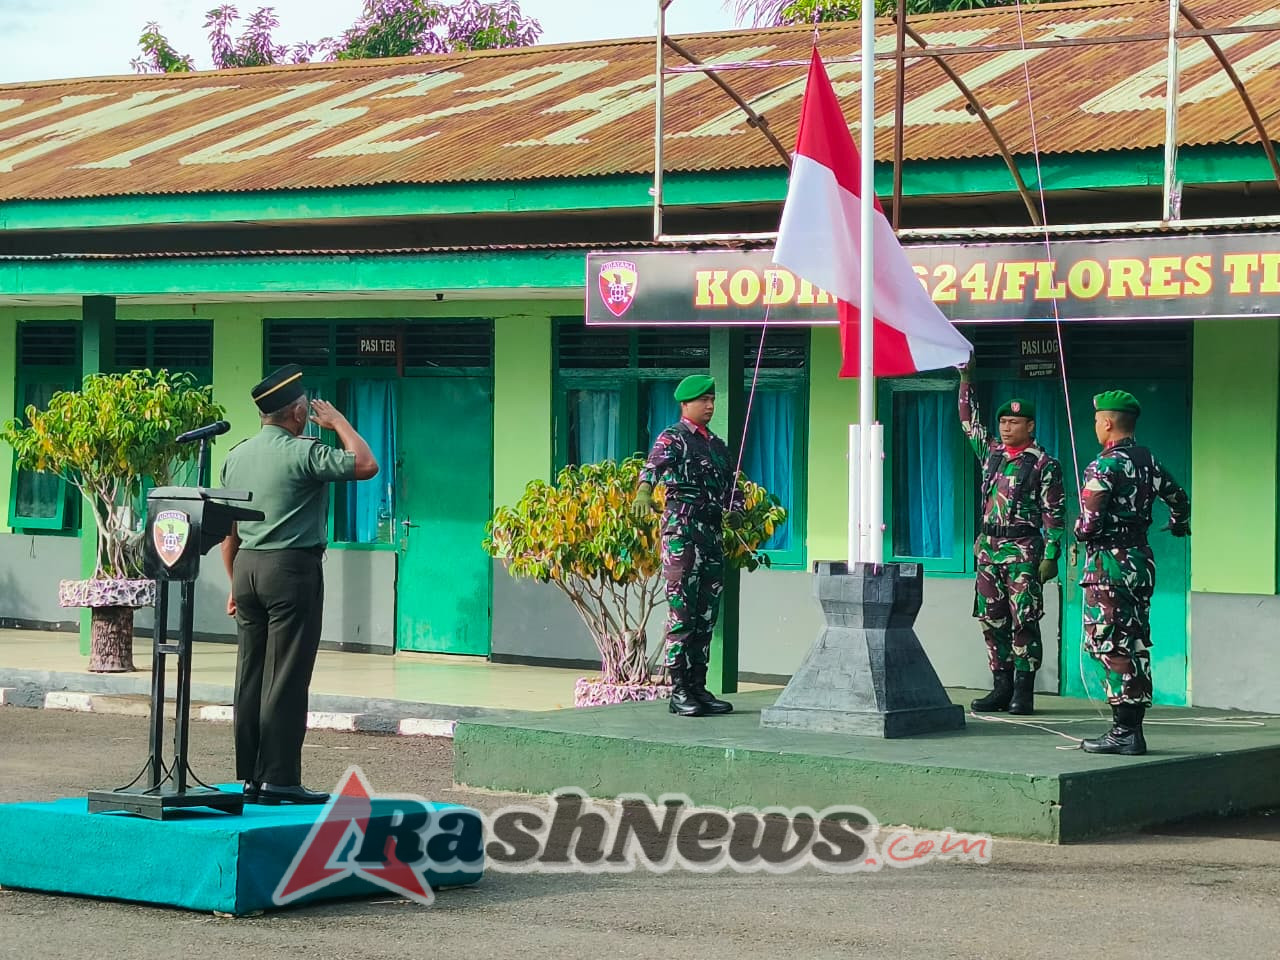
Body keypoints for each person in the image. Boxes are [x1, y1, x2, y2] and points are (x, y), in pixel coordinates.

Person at [220, 364, 378, 803]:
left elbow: (230, 531)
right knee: (286, 676)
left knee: (250, 675)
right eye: (308, 408)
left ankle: (249, 777)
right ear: (298, 412)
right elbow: (366, 464)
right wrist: (339, 422)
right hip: (290, 570)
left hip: (248, 567)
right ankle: (279, 779)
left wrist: (234, 582)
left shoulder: (237, 456)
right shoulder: (303, 452)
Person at [1074, 389, 1190, 756]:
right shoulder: (1147, 460)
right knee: (1136, 640)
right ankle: (1131, 728)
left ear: (1107, 423)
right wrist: (1178, 524)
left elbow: (1088, 525)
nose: (1095, 426)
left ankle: (1124, 731)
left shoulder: (1104, 466)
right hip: (1140, 561)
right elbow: (1179, 498)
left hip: (1109, 565)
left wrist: (1079, 532)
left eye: (1096, 420)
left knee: (1111, 643)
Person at [632, 374, 744, 718]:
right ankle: (678, 689)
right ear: (685, 404)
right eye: (703, 401)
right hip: (682, 534)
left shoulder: (717, 446)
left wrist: (736, 513)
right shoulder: (674, 438)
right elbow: (651, 468)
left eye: (712, 399)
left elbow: (733, 488)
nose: (709, 406)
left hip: (711, 536)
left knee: (706, 615)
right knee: (682, 613)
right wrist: (643, 492)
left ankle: (698, 685)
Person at [959, 361, 1065, 716]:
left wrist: (1051, 554)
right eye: (1003, 422)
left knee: (1025, 620)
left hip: (1023, 552)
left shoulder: (1043, 464)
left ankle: (1023, 691)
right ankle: (1000, 687)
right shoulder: (992, 455)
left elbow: (1055, 512)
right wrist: (966, 378)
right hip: (989, 551)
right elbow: (969, 422)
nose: (1006, 428)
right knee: (992, 620)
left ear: (1030, 426)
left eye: (1014, 422)